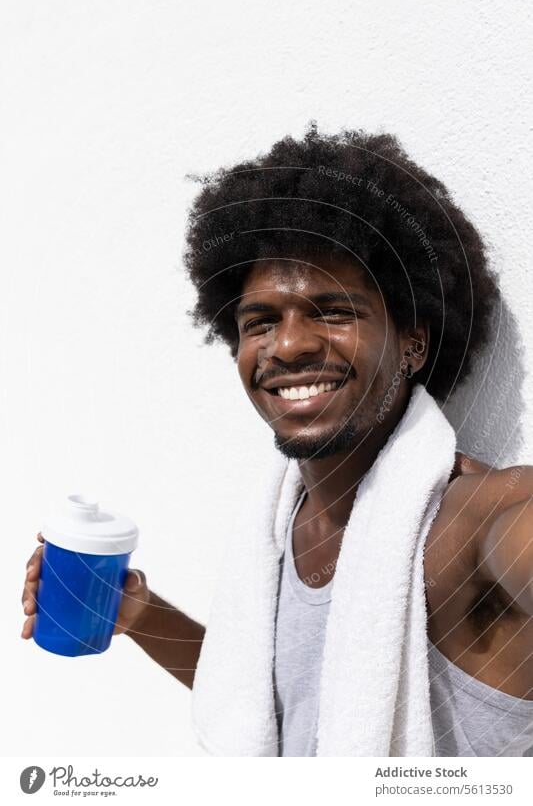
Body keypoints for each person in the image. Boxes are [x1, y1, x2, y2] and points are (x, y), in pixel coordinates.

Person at [21, 125, 533, 756]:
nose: (288, 345)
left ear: (412, 341)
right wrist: (142, 617)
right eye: (260, 321)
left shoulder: (472, 521)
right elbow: (273, 709)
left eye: (334, 310)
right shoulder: (283, 520)